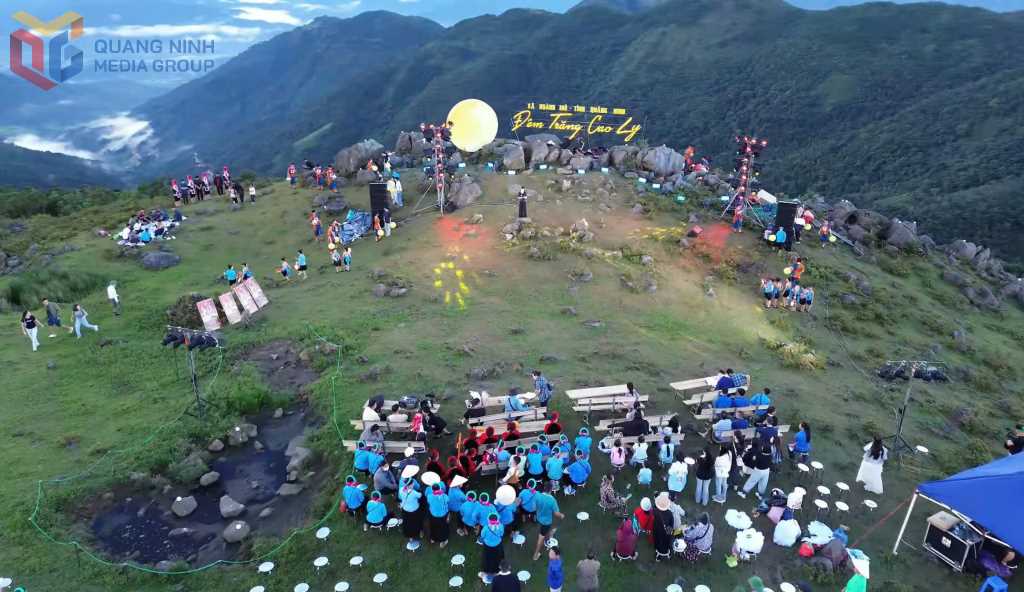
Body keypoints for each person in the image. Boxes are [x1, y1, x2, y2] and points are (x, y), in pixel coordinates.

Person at [532, 482, 563, 560]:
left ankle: (549, 535)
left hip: (539, 518)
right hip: (546, 522)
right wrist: (561, 515)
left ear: (544, 488)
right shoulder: (552, 500)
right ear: (551, 489)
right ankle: (535, 555)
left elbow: (534, 506)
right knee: (540, 538)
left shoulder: (537, 495)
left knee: (547, 530)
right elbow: (556, 513)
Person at [399, 472, 424, 543]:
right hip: (414, 510)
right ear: (410, 485)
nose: (413, 484)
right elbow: (420, 495)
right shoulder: (413, 493)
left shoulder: (401, 490)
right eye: (412, 483)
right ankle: (420, 531)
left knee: (408, 523)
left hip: (405, 510)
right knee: (418, 521)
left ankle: (410, 536)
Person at [427, 482, 450, 547]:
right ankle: (443, 540)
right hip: (442, 515)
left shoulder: (429, 496)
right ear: (440, 488)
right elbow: (448, 500)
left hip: (433, 515)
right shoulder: (444, 496)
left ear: (432, 489)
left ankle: (433, 538)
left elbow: (429, 502)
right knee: (443, 528)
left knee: (433, 526)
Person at [652, 493, 674, 560]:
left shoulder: (655, 512)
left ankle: (658, 556)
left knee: (658, 543)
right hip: (667, 534)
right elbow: (671, 525)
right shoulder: (670, 513)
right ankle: (667, 553)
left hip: (658, 533)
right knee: (666, 544)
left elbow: (654, 523)